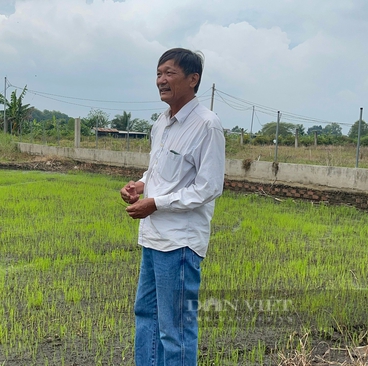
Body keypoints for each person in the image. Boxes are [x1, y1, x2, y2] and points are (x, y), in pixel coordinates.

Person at [120, 48, 225, 365]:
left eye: (169, 73)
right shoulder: (161, 124)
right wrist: (140, 185)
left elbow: (208, 188)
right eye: (158, 73)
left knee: (175, 328)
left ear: (193, 80)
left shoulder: (207, 126)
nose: (161, 80)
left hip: (180, 242)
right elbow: (158, 171)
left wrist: (156, 203)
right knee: (147, 317)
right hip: (152, 238)